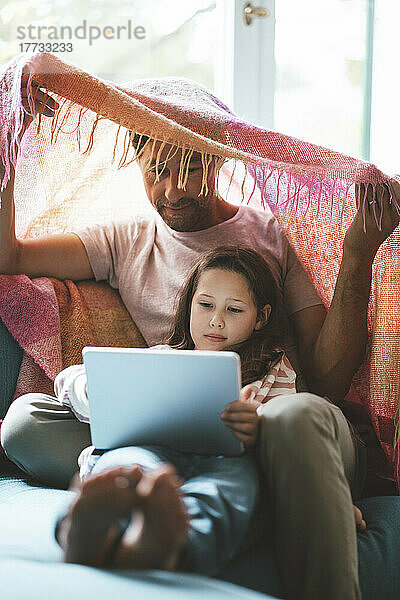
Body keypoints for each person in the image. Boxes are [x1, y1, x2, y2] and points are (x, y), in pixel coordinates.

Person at [1, 78, 399, 599]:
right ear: (138, 165)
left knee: (292, 419)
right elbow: (10, 258)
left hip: (274, 419)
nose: (174, 189)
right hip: (175, 431)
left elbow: (324, 378)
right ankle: (141, 499)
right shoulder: (124, 238)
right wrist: (13, 135)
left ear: (219, 159)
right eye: (158, 170)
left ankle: (292, 480)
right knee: (27, 420)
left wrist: (357, 258)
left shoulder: (271, 235)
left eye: (190, 166)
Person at [53, 245, 297, 574]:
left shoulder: (275, 373)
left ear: (261, 318)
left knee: (229, 489)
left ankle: (167, 546)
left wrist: (258, 427)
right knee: (126, 464)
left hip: (227, 460)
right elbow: (67, 380)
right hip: (151, 447)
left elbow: (292, 433)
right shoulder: (162, 356)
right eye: (206, 305)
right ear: (190, 304)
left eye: (234, 310)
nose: (216, 320)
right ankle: (83, 528)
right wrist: (92, 389)